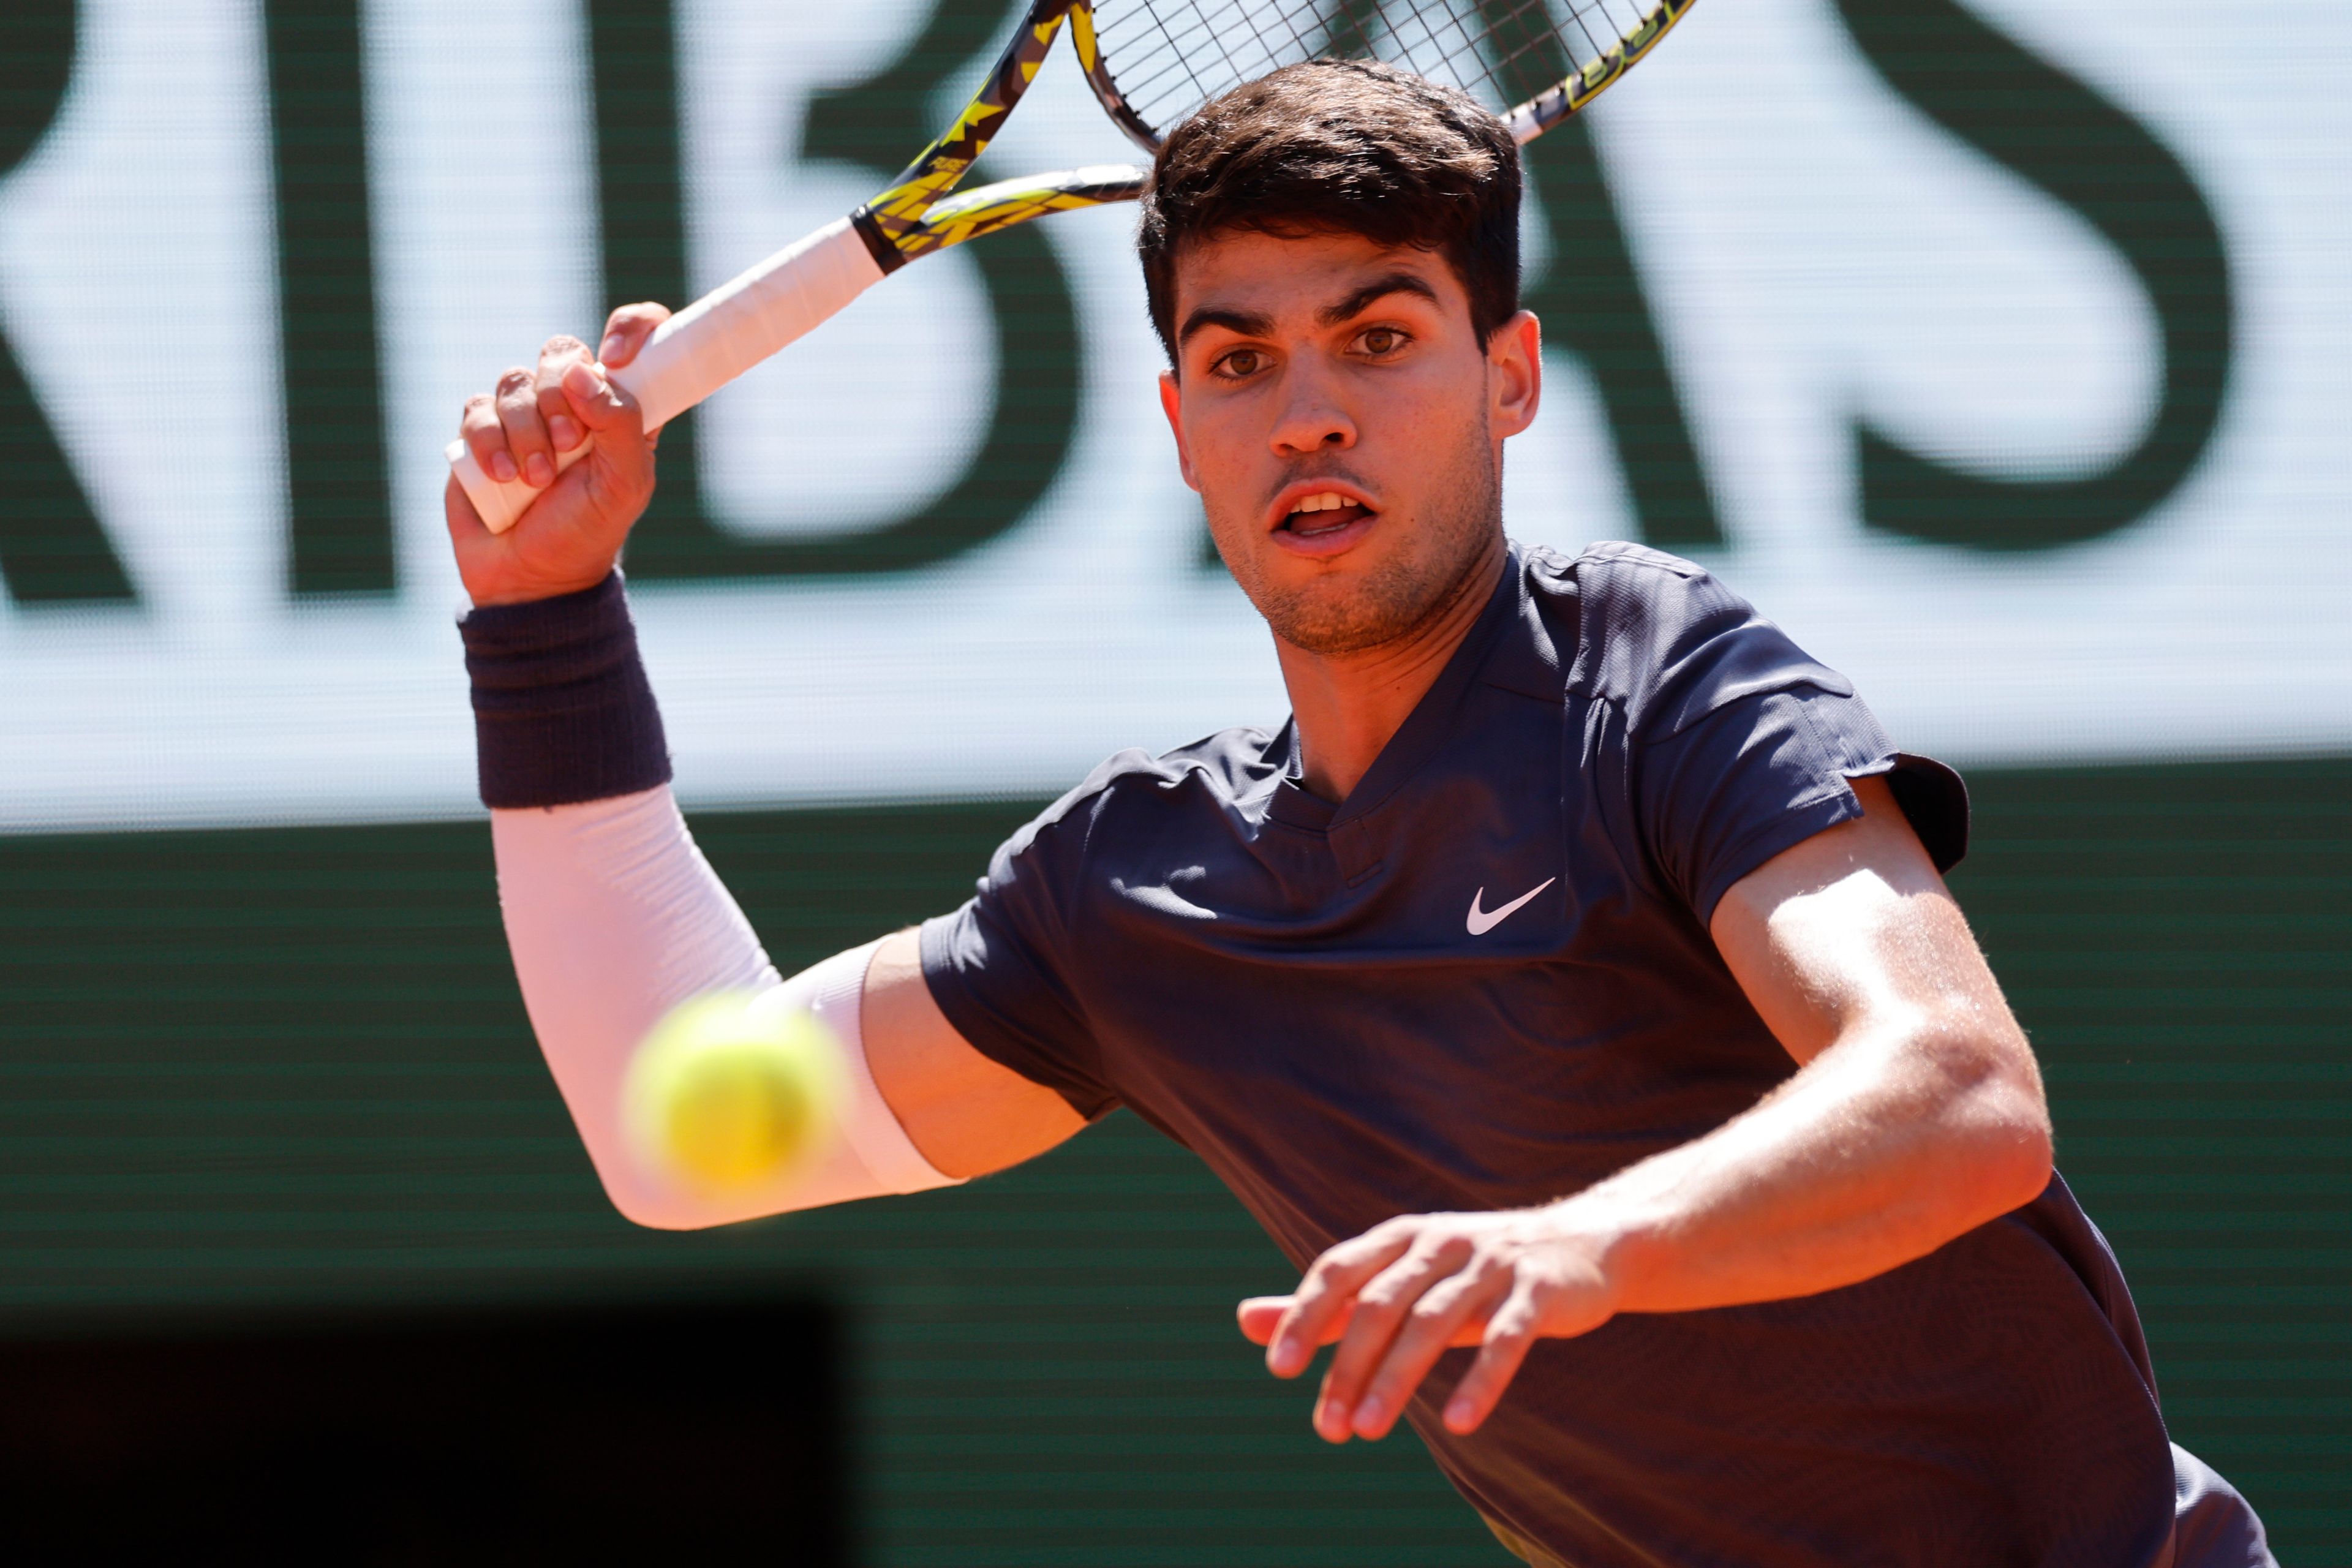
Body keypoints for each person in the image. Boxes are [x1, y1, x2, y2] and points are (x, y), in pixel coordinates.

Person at [445, 59, 2271, 1568]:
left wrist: (1576, 1245)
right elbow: (673, 1126)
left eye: (1377, 338)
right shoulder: (1128, 900)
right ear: (1178, 423)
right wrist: (543, 619)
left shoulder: (1659, 682)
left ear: (1512, 376)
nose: (1306, 413)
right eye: (1239, 362)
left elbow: (1959, 1099)